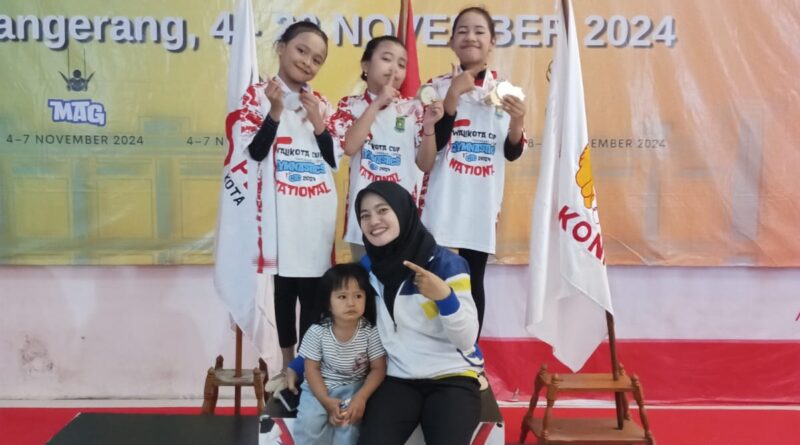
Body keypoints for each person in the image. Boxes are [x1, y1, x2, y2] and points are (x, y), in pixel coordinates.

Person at [419, 6, 528, 335]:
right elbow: (433, 146)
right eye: (462, 31)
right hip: (441, 201)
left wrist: (518, 121)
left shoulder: (506, 92)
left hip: (481, 204)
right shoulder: (434, 88)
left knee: (472, 280)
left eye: (480, 31)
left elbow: (512, 152)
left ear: (492, 41)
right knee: (432, 278)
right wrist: (453, 94)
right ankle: (430, 351)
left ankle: (470, 354)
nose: (471, 37)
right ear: (451, 41)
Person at [243, 20, 340, 375]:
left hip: (314, 217)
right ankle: (287, 366)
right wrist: (274, 112)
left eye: (317, 59)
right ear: (282, 47)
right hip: (279, 217)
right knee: (283, 294)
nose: (307, 62)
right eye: (301, 50)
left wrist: (318, 122)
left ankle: (307, 368)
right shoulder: (256, 95)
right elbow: (254, 153)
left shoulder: (321, 104)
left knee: (313, 298)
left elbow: (334, 159)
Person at [354, 181, 484, 445]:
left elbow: (466, 339)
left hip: (452, 376)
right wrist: (299, 367)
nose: (373, 221)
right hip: (398, 377)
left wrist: (445, 297)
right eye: (365, 215)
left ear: (403, 211)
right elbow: (338, 320)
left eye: (382, 210)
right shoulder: (367, 267)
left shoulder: (447, 264)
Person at [328, 35, 442, 260]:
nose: (394, 69)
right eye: (386, 59)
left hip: (402, 222)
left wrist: (429, 126)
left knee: (403, 281)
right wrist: (377, 103)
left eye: (401, 64)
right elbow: (349, 146)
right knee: (365, 280)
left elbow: (425, 164)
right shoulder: (350, 105)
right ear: (366, 65)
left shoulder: (413, 109)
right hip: (364, 223)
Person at [292, 263, 387, 445]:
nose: (351, 303)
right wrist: (325, 400)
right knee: (310, 424)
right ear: (328, 303)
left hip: (355, 389)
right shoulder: (317, 332)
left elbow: (378, 368)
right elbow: (311, 369)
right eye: (342, 297)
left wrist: (361, 397)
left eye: (358, 296)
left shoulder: (370, 332)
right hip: (320, 388)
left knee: (349, 430)